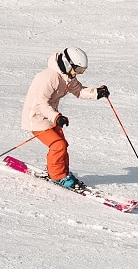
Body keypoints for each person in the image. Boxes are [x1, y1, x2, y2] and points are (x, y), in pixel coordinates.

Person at [21, 47, 109, 188]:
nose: (78, 74)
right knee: (58, 145)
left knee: (62, 144)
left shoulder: (67, 77)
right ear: (68, 64)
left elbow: (79, 91)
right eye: (78, 70)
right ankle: (57, 176)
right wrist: (56, 117)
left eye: (81, 71)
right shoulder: (48, 78)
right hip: (36, 118)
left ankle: (62, 171)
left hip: (50, 116)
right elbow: (41, 103)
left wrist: (96, 92)